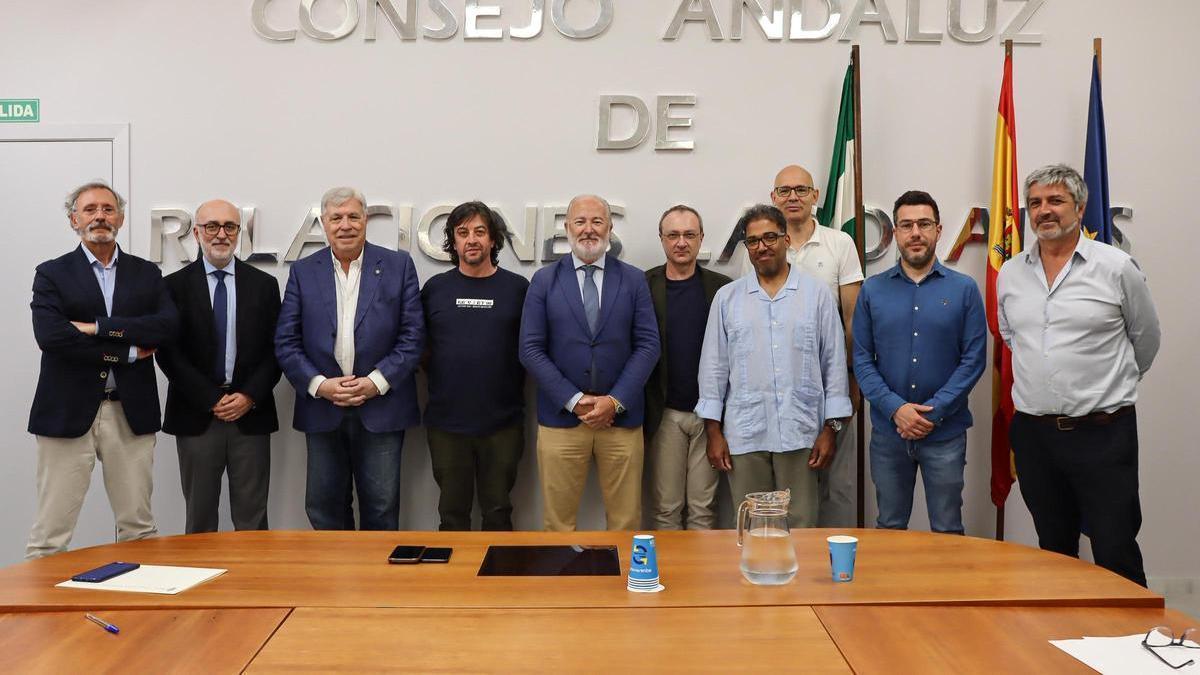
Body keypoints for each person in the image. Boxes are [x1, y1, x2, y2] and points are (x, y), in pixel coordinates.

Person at [998, 164, 1160, 586]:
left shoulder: (1116, 267)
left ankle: (1130, 643)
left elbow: (1145, 339)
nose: (1044, 211)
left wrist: (1106, 386)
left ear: (1080, 207)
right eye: (1035, 202)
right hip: (1035, 436)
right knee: (1054, 549)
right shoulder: (1012, 273)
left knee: (1114, 546)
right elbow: (1014, 337)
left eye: (1055, 201)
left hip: (1102, 434)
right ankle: (1064, 645)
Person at [26, 181, 179, 559]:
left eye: (108, 209)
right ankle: (40, 616)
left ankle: (141, 612)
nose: (100, 216)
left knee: (139, 528)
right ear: (74, 220)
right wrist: (124, 354)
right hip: (66, 412)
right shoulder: (51, 274)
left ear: (121, 218)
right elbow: (53, 337)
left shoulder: (146, 274)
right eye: (90, 209)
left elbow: (165, 327)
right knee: (50, 535)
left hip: (130, 412)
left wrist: (98, 328)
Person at [275, 187, 424, 531]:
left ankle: (376, 585)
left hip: (382, 407)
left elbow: (413, 335)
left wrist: (376, 383)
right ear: (324, 225)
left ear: (365, 221)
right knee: (324, 507)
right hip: (323, 407)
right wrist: (320, 385)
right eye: (336, 218)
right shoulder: (303, 271)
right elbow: (286, 341)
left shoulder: (398, 266)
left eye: (353, 216)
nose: (346, 225)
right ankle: (334, 583)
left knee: (382, 509)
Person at [698, 204, 851, 528]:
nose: (762, 246)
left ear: (785, 240)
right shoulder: (728, 299)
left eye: (769, 237)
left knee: (801, 526)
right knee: (753, 527)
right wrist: (713, 432)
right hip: (745, 433)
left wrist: (830, 429)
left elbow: (834, 365)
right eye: (753, 241)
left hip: (802, 432)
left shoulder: (817, 295)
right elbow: (713, 369)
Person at [519, 194, 659, 531]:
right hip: (561, 421)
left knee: (626, 522)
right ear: (566, 228)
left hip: (621, 421)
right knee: (558, 523)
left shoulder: (634, 280)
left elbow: (648, 345)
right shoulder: (544, 280)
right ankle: (563, 586)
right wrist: (575, 401)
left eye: (597, 221)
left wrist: (614, 401)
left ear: (610, 228)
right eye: (580, 222)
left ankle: (627, 585)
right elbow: (530, 349)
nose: (588, 230)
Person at [852, 190, 986, 534]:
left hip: (945, 433)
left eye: (924, 224)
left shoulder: (964, 289)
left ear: (938, 230)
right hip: (889, 434)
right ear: (894, 232)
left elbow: (973, 360)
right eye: (907, 225)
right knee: (890, 525)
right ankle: (891, 592)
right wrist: (898, 410)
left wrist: (933, 412)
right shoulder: (873, 290)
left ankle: (948, 591)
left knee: (947, 527)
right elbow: (863, 360)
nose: (916, 233)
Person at [744, 165, 864, 527]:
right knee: (789, 492)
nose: (792, 197)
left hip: (832, 384)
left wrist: (850, 384)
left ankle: (836, 570)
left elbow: (852, 321)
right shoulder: (761, 247)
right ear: (772, 198)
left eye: (801, 189)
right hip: (779, 388)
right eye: (784, 191)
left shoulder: (839, 243)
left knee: (837, 485)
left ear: (815, 196)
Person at [157, 199, 282, 533]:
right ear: (197, 233)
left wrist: (249, 396)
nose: (221, 234)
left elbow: (277, 350)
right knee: (199, 519)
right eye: (212, 226)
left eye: (229, 227)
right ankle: (201, 583)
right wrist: (210, 398)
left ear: (239, 233)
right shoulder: (173, 286)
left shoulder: (264, 285)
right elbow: (169, 353)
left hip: (250, 415)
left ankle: (251, 584)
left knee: (252, 518)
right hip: (197, 415)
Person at [421, 201, 529, 530]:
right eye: (463, 232)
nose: (472, 239)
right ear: (453, 242)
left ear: (493, 240)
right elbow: (418, 348)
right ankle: (453, 584)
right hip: (447, 424)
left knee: (498, 511)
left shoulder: (518, 289)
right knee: (452, 514)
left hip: (503, 423)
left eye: (480, 232)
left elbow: (533, 348)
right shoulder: (435, 289)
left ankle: (498, 583)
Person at [644, 205, 731, 530]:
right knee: (666, 509)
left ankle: (700, 581)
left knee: (703, 509)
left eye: (689, 235)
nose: (681, 242)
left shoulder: (723, 288)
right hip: (665, 414)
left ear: (701, 238)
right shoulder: (644, 286)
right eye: (673, 235)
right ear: (662, 239)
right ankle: (667, 580)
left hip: (710, 416)